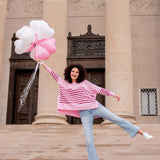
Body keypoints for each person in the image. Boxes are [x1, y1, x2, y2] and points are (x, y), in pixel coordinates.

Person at [37, 60, 153, 160]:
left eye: (77, 72)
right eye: (73, 71)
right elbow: (53, 74)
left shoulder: (85, 83)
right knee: (89, 141)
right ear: (69, 72)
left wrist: (112, 94)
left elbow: (99, 90)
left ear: (80, 74)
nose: (74, 73)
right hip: (85, 113)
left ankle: (143, 133)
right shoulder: (64, 84)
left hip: (96, 107)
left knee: (117, 119)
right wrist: (43, 64)